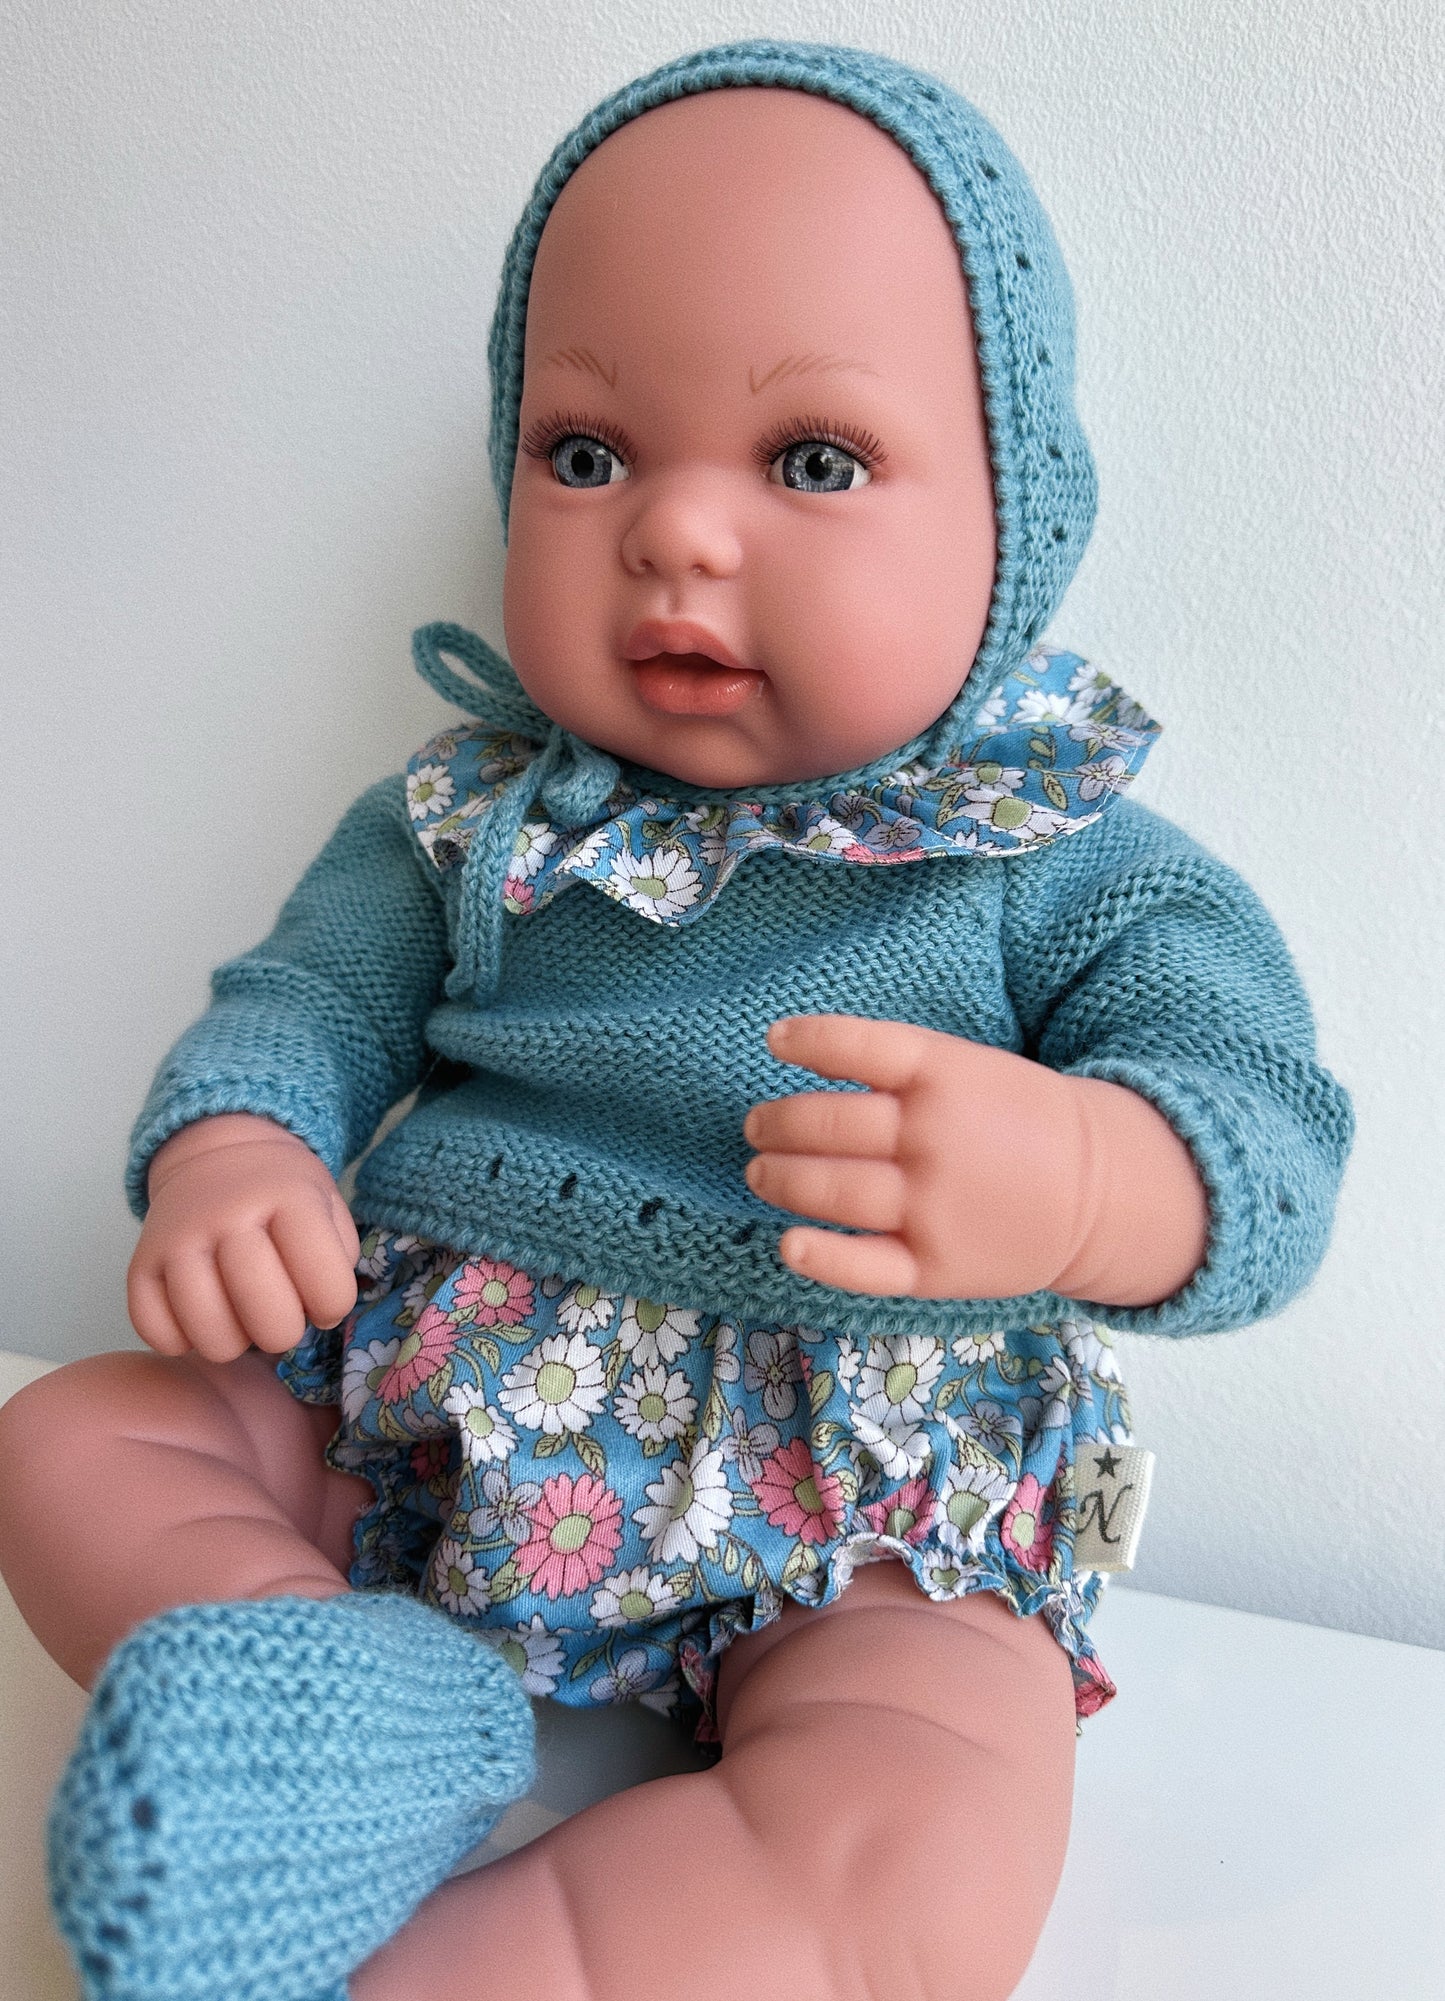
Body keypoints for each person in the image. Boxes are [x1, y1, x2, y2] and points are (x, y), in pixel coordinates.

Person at [0, 41, 1352, 2001]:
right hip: (432, 1413)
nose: (677, 533)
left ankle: (454, 1963)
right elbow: (305, 999)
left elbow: (1269, 1135)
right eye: (586, 454)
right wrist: (237, 1144)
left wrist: (1087, 1180)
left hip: (860, 1494)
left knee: (921, 1842)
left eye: (813, 462)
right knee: (75, 1436)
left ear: (1012, 518)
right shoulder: (468, 814)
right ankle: (336, 1704)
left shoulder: (1055, 857)